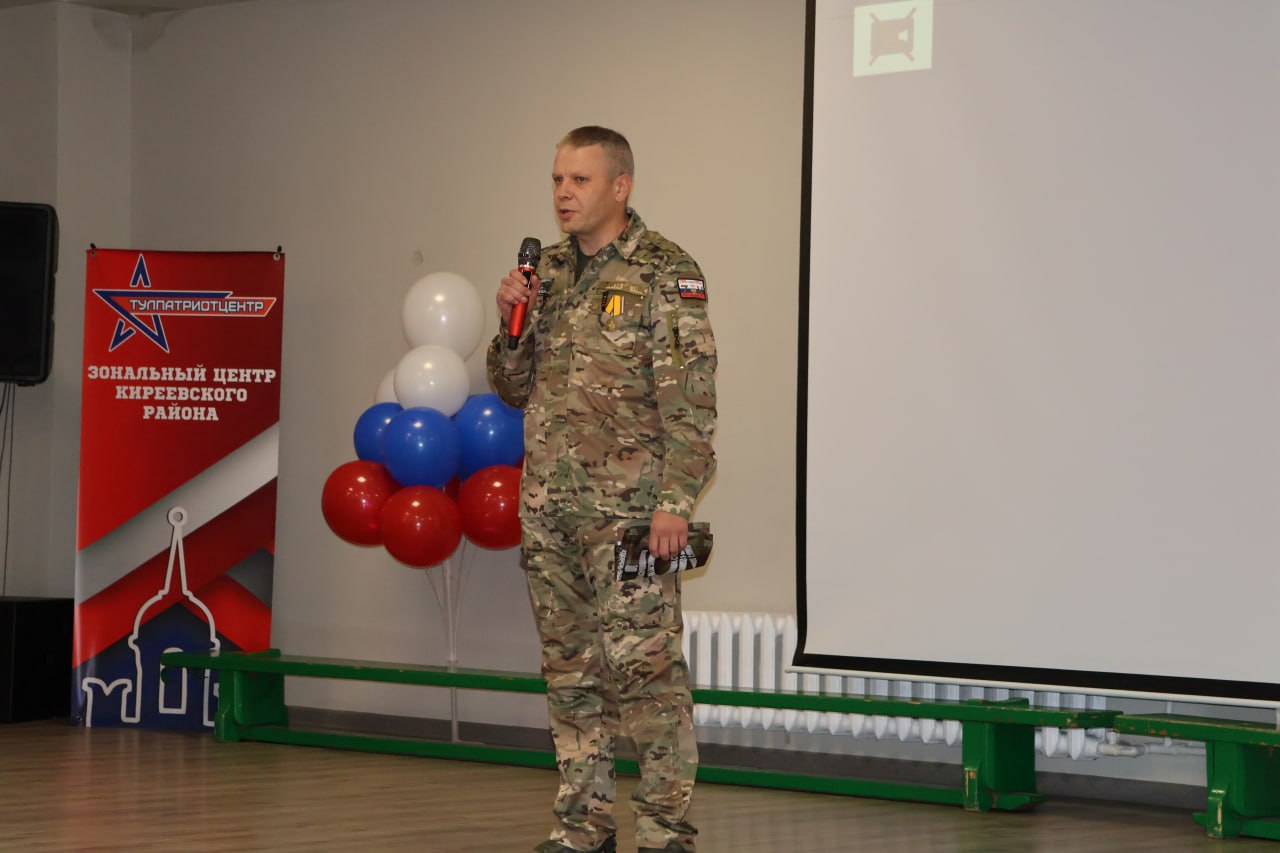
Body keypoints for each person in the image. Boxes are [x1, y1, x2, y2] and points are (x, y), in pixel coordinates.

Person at [486, 126, 717, 853]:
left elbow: (692, 402)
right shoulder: (547, 274)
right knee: (571, 675)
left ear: (621, 186)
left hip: (630, 516)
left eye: (579, 180)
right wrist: (510, 326)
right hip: (549, 512)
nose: (563, 193)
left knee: (646, 675)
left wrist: (675, 502)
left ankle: (664, 829)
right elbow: (511, 388)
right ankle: (582, 826)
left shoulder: (664, 270)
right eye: (557, 179)